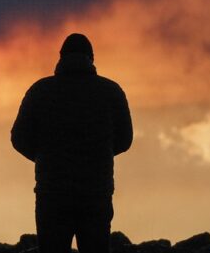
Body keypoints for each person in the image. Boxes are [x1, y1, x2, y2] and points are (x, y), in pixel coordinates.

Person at [11, 33, 133, 253]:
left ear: (61, 57)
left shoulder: (40, 91)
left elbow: (18, 138)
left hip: (52, 193)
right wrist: (99, 155)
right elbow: (125, 140)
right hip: (96, 193)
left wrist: (44, 158)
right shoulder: (111, 92)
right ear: (92, 58)